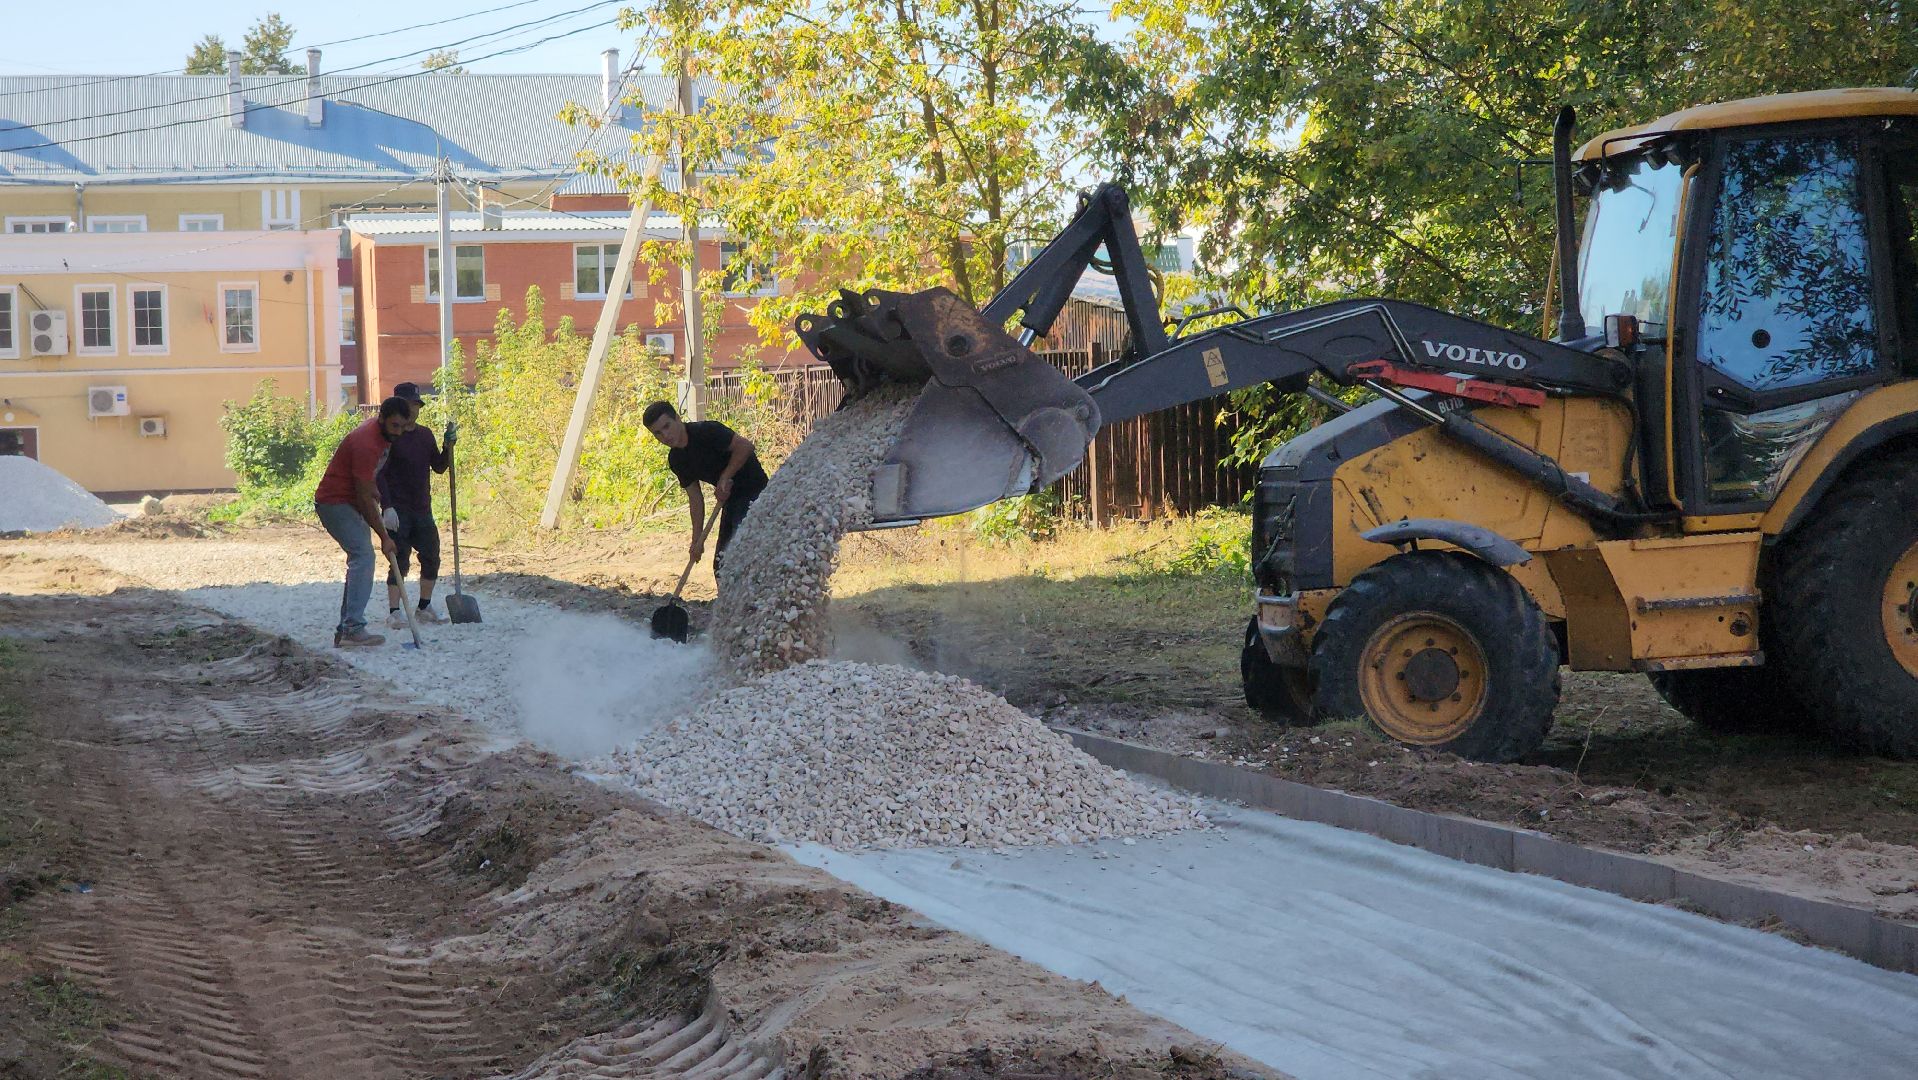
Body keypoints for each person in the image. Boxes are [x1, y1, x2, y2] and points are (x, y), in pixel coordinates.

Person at [314, 397, 409, 647]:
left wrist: (374, 489)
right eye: (394, 426)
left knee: (361, 557)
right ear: (381, 419)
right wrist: (385, 538)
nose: (398, 432)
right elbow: (363, 497)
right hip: (334, 503)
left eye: (402, 426)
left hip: (348, 500)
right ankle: (352, 629)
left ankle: (346, 629)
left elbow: (367, 484)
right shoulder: (366, 443)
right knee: (364, 556)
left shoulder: (381, 437)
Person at [642, 401, 767, 573]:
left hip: (756, 492)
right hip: (729, 500)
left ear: (677, 419)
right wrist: (697, 541)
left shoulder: (707, 431)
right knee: (721, 564)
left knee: (739, 551)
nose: (665, 436)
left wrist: (725, 477)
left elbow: (745, 446)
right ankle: (727, 600)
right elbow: (695, 498)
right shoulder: (677, 459)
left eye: (667, 426)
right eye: (658, 433)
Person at [376, 382, 456, 628]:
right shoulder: (389, 438)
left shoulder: (424, 435)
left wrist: (448, 446)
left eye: (416, 405)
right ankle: (394, 611)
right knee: (399, 560)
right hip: (397, 509)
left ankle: (424, 606)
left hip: (422, 507)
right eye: (409, 404)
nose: (413, 409)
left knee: (431, 555)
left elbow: (440, 467)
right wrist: (386, 507)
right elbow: (379, 474)